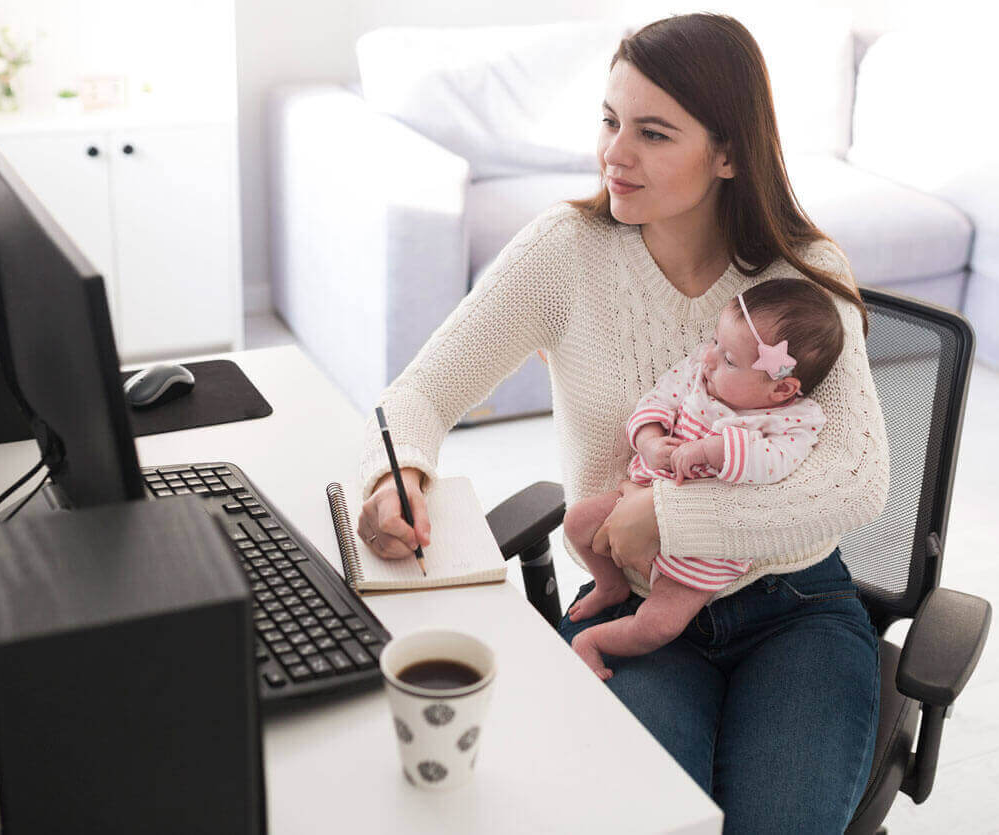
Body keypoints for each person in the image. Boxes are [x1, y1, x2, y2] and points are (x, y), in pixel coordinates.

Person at [357, 13, 890, 832]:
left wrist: (669, 512)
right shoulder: (564, 252)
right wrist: (400, 476)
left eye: (652, 132)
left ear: (728, 153)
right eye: (610, 120)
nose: (615, 153)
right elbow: (417, 395)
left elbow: (856, 479)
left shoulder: (806, 275)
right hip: (632, 609)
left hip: (796, 608)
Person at [564, 278, 843, 681]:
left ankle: (592, 641)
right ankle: (609, 585)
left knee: (659, 625)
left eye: (729, 359)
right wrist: (649, 441)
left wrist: (714, 450)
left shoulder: (792, 420)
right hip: (638, 496)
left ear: (782, 388)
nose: (709, 358)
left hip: (707, 550)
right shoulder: (698, 373)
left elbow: (777, 465)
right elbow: (656, 401)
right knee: (576, 522)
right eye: (715, 341)